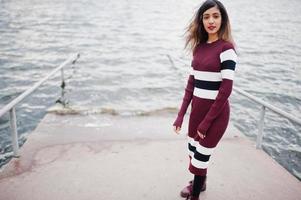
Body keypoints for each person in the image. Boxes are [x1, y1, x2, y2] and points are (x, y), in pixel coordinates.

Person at [173, 0, 237, 199]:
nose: (211, 21)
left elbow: (225, 90)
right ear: (201, 21)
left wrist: (206, 123)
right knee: (193, 152)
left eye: (216, 16)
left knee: (201, 157)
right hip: (197, 113)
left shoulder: (227, 49)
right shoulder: (198, 49)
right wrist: (181, 115)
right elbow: (191, 86)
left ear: (222, 19)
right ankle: (200, 183)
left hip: (216, 116)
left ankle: (195, 195)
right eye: (206, 16)